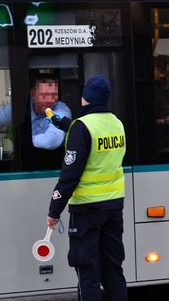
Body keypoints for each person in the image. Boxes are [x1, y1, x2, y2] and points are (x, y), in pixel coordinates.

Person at [46, 75, 127, 301]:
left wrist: (54, 210)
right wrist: (58, 121)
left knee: (88, 271)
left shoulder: (82, 128)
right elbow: (92, 139)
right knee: (113, 270)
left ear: (87, 99)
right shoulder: (116, 123)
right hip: (113, 207)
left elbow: (69, 176)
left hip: (87, 211)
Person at [0, 76, 72, 150]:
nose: (49, 100)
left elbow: (50, 141)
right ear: (33, 94)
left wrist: (15, 145)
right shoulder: (19, 107)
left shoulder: (62, 110)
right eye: (44, 95)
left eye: (53, 95)